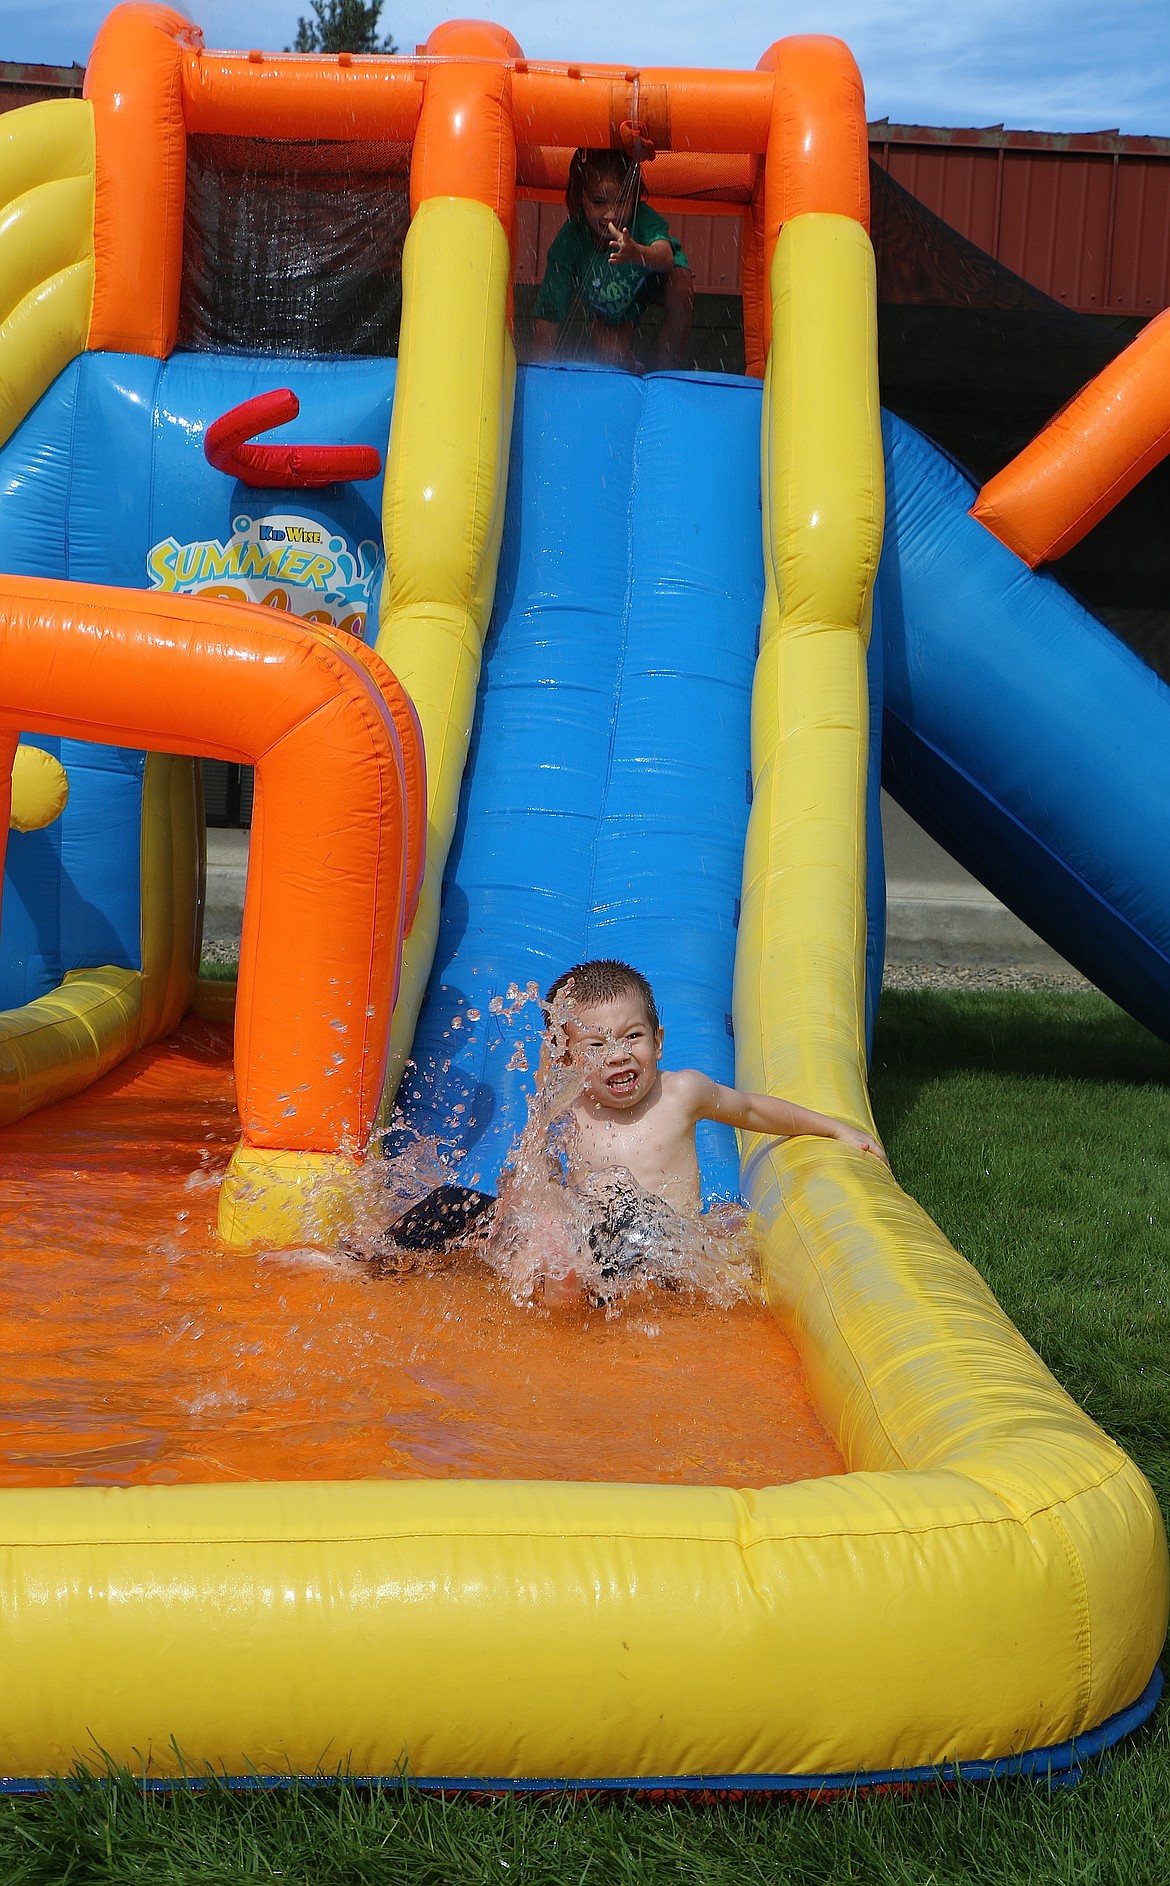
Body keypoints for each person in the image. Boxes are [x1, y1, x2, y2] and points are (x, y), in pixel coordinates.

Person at [518, 957, 888, 1301]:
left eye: (632, 1036)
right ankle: (560, 1308)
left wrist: (834, 1129)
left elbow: (752, 1108)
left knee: (720, 1246)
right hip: (599, 1254)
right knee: (554, 1227)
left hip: (672, 1249)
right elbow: (535, 1161)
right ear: (570, 1059)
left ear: (658, 1042)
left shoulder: (681, 1092)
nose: (618, 1055)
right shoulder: (570, 1106)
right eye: (596, 1045)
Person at [531, 148, 694, 373]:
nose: (611, 214)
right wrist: (539, 373)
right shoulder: (570, 241)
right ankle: (633, 368)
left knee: (681, 281)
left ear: (634, 195)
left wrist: (637, 253)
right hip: (610, 310)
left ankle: (667, 372)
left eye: (620, 201)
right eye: (599, 201)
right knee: (612, 358)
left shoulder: (642, 218)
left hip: (649, 281)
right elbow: (549, 313)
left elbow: (665, 258)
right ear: (581, 199)